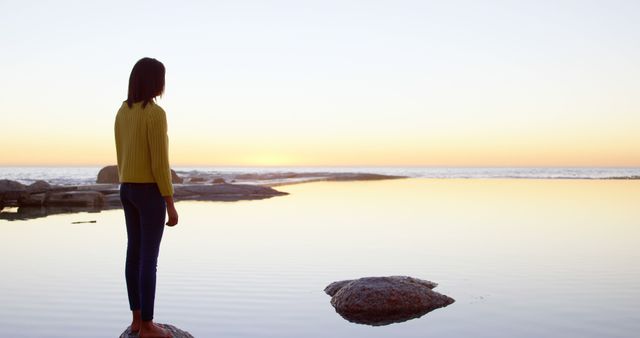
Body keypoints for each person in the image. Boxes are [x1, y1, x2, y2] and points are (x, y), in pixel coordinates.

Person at [114, 57, 179, 338]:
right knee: (148, 260)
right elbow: (159, 164)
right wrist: (170, 203)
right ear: (155, 81)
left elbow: (121, 153)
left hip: (126, 189)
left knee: (134, 255)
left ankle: (137, 320)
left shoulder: (122, 112)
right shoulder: (155, 113)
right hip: (149, 192)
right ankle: (149, 327)